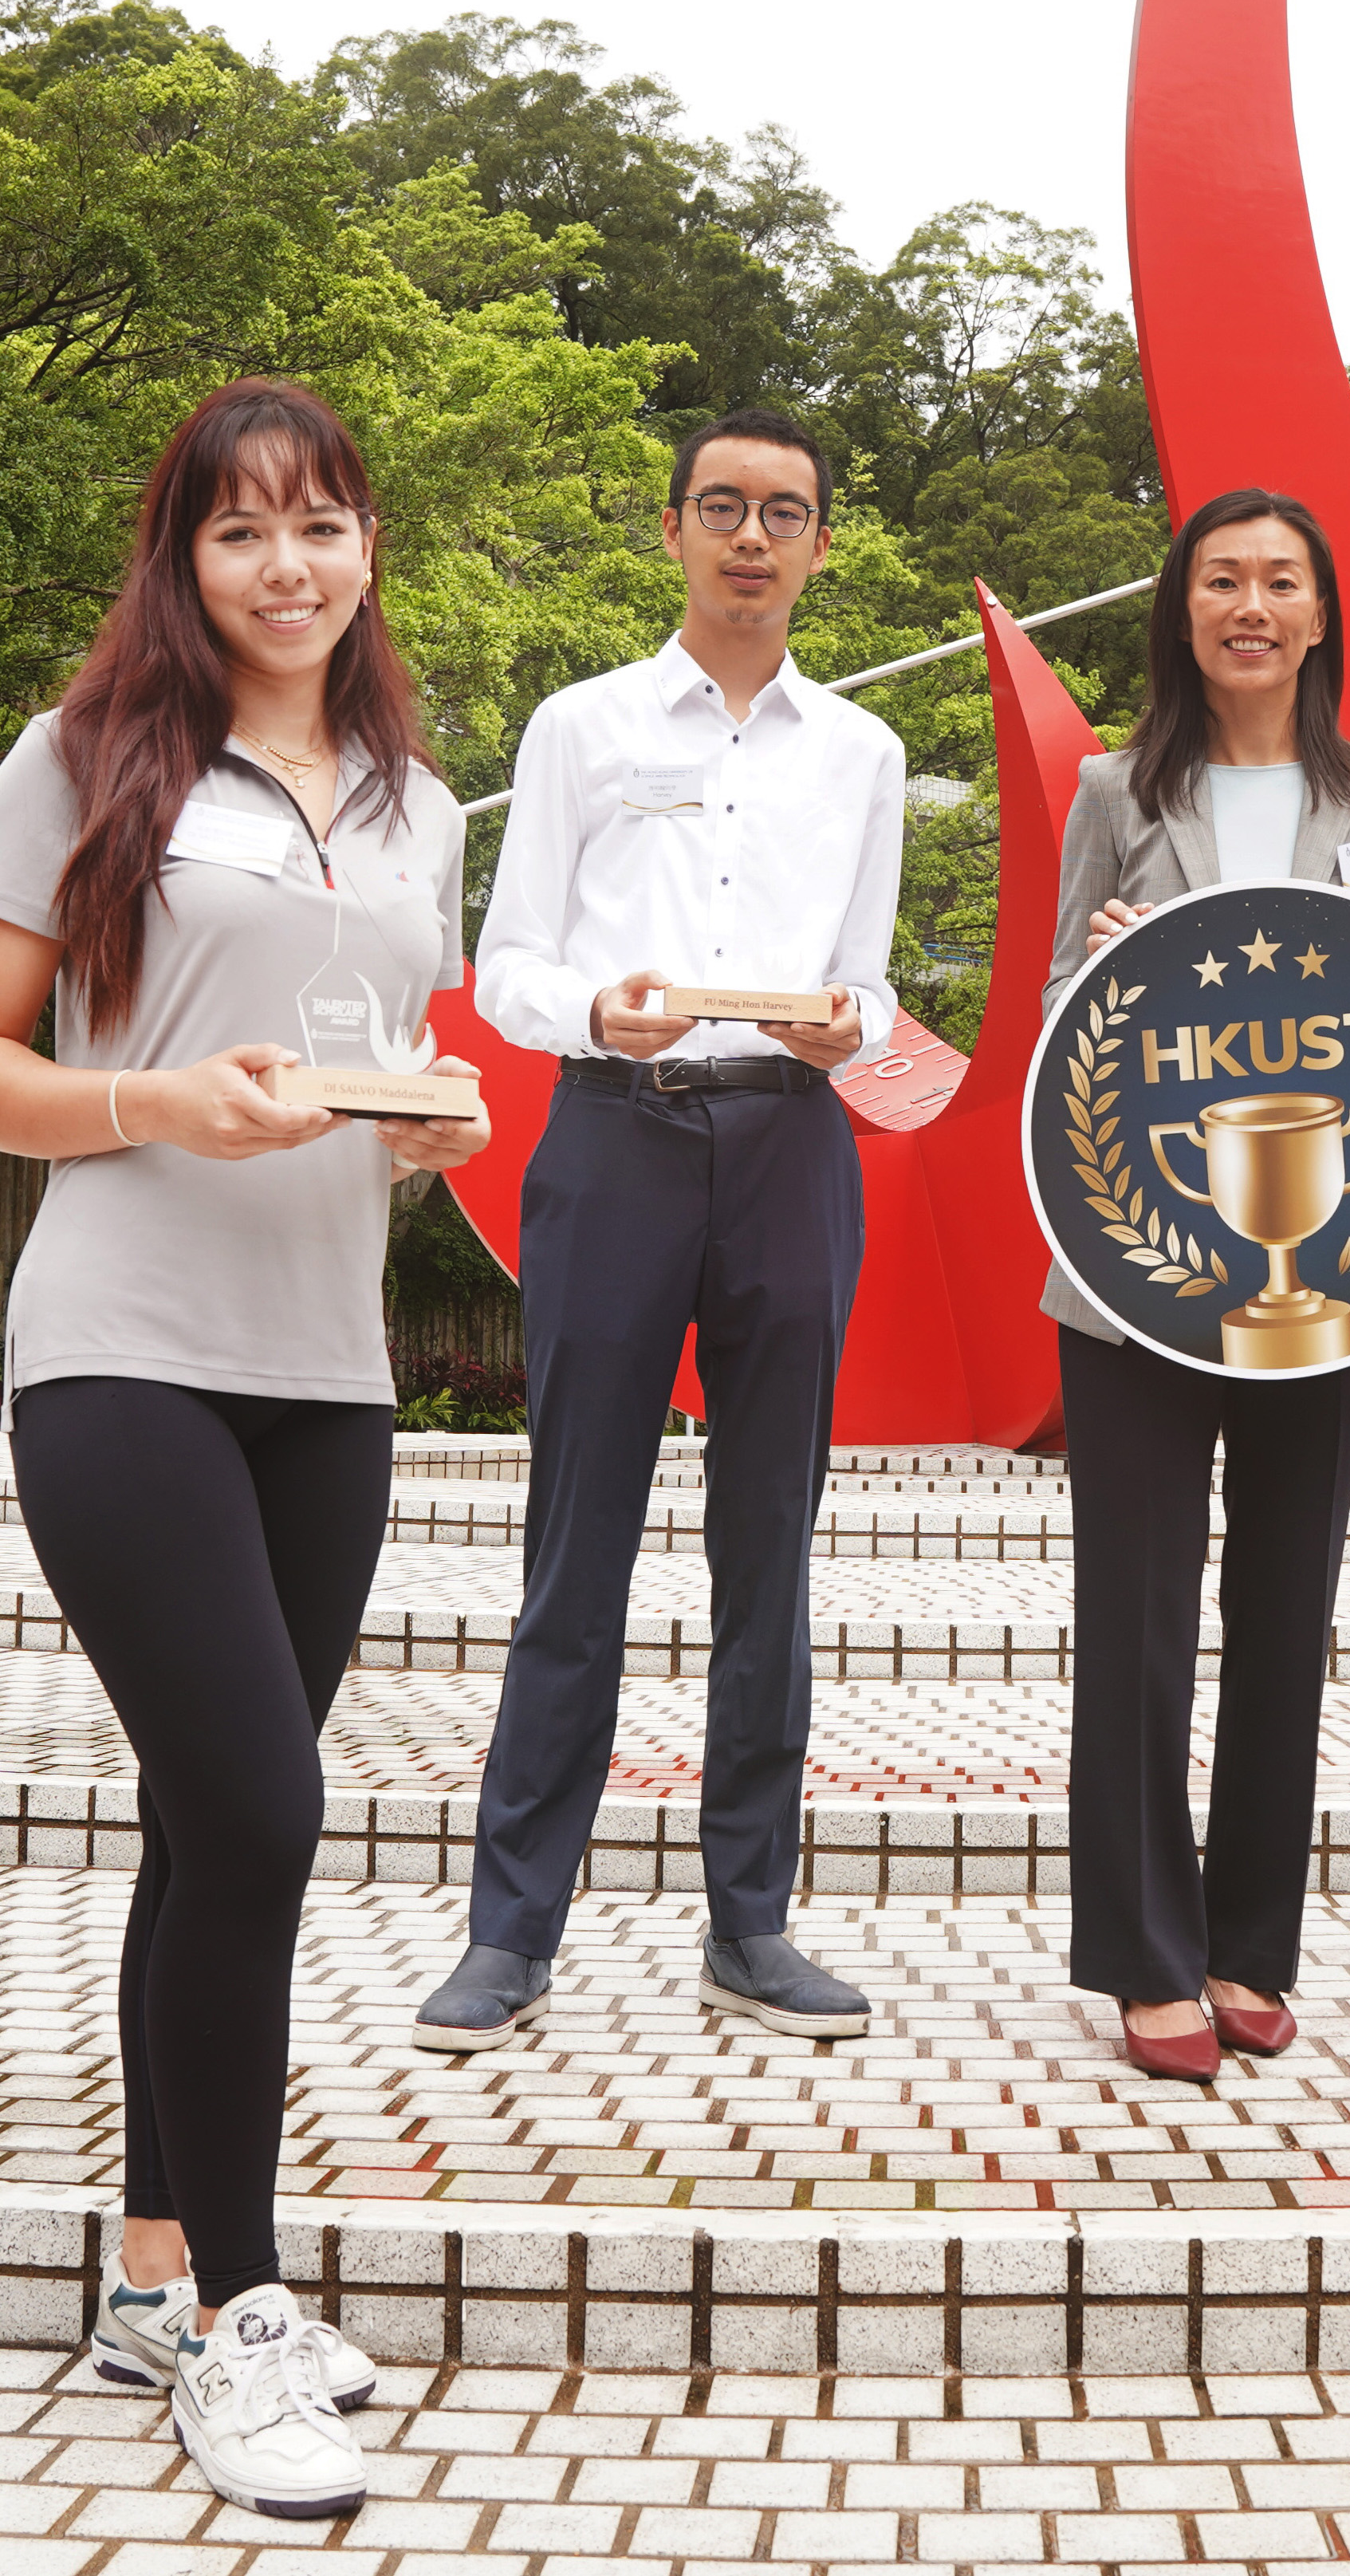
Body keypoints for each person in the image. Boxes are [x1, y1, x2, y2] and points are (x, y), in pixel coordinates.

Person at [0, 376, 486, 2523]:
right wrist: (158, 1100)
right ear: (184, 554)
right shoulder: (83, 760)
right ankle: (247, 2319)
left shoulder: (419, 802)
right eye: (240, 528)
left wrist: (433, 1126)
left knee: (205, 1824)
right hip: (121, 1350)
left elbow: (378, 1070)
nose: (286, 564)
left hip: (327, 1372)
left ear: (368, 545)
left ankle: (152, 2278)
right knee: (263, 1803)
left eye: (321, 522)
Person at [415, 404, 903, 2054]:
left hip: (790, 1144)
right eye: (723, 506)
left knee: (771, 1551)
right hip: (613, 1133)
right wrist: (592, 1014)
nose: (752, 536)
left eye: (785, 511)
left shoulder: (861, 753)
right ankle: (510, 1930)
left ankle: (752, 1921)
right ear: (675, 527)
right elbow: (505, 964)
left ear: (821, 543)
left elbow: (869, 978)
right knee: (577, 1546)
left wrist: (852, 1027)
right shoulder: (583, 725)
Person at [1044, 489, 1350, 2082]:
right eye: (1222, 578)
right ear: (1183, 606)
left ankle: (1249, 1943)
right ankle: (1146, 1953)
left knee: (1286, 1607)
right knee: (1135, 1608)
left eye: (1281, 579)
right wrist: (1103, 964)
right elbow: (1055, 1007)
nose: (1252, 605)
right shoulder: (1112, 787)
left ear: (1321, 612)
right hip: (1137, 1261)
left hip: (1323, 1272)